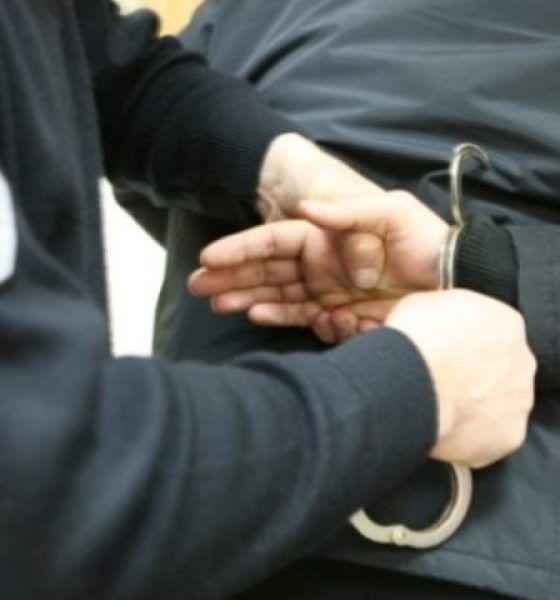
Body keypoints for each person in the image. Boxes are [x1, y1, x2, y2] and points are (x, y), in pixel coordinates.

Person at [0, 1, 535, 599]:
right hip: (258, 499)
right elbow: (49, 477)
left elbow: (103, 68)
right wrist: (412, 388)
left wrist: (279, 169)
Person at [147, 1, 559, 598]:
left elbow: (146, 138)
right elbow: (133, 99)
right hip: (485, 540)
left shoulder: (241, 15)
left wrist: (475, 267)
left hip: (222, 512)